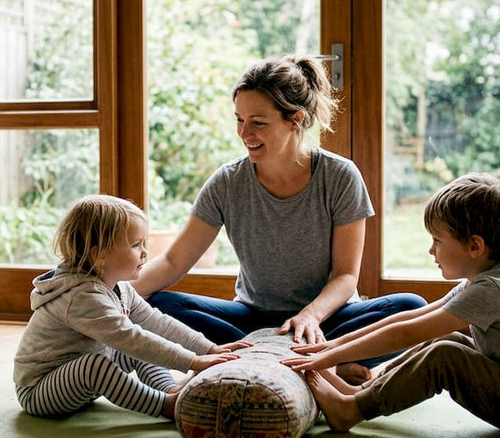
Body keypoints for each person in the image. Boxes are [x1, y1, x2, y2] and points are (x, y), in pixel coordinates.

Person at [132, 55, 427, 384]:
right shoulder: (227, 182)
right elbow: (173, 260)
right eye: (239, 120)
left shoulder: (341, 176)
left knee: (410, 307)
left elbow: (346, 276)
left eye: (258, 122)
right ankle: (319, 364)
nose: (245, 133)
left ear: (295, 120)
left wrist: (310, 316)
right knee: (155, 305)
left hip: (326, 319)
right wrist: (113, 295)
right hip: (250, 322)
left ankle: (271, 360)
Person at [282, 173, 500, 438]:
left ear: (475, 246)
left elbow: (406, 332)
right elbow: (413, 317)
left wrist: (332, 357)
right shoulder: (488, 279)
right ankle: (363, 391)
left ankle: (351, 411)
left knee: (447, 356)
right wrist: (333, 345)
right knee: (449, 342)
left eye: (437, 240)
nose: (431, 249)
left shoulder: (493, 290)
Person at [13, 194, 249, 420]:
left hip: (79, 380)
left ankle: (168, 391)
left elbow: (157, 322)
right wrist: (192, 362)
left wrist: (208, 350)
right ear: (100, 255)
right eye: (136, 245)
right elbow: (132, 338)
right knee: (108, 358)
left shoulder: (120, 287)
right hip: (39, 391)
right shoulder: (81, 297)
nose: (145, 252)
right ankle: (164, 406)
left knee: (139, 347)